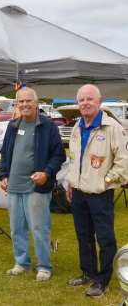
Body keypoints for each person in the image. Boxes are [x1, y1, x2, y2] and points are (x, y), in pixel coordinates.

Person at [64, 84, 128, 298]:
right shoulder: (76, 127)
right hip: (79, 193)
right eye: (81, 100)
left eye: (90, 99)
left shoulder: (112, 128)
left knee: (105, 238)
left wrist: (106, 181)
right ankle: (88, 273)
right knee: (83, 236)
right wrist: (72, 183)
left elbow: (123, 163)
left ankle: (102, 279)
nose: (85, 103)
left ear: (100, 101)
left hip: (100, 194)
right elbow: (74, 161)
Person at [0, 87, 66, 282]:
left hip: (37, 187)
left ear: (36, 103)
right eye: (21, 101)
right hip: (13, 187)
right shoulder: (12, 126)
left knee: (39, 228)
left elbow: (59, 154)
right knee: (16, 228)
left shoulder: (48, 126)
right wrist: (3, 175)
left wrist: (46, 173)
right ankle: (22, 262)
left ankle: (44, 266)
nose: (25, 104)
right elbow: (5, 154)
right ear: (17, 104)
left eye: (29, 101)